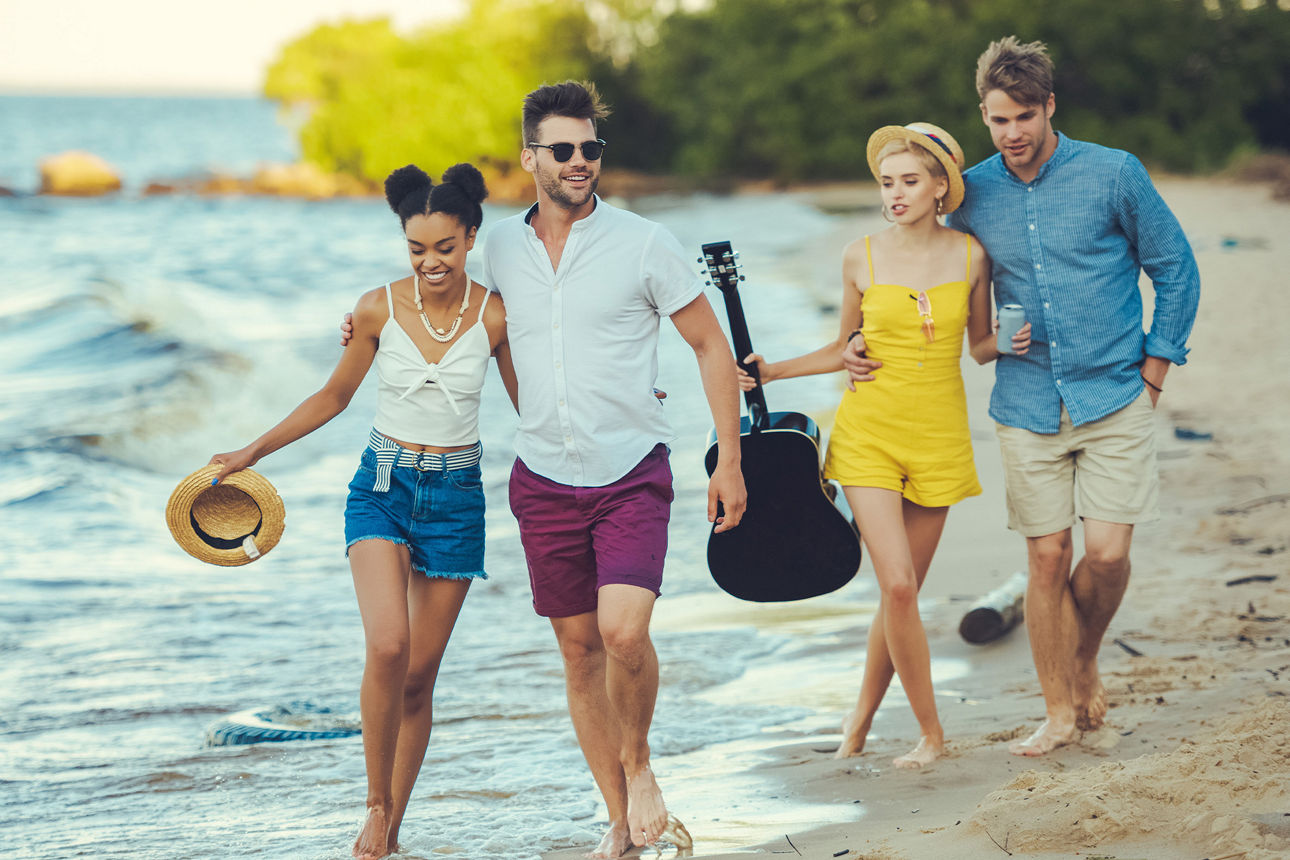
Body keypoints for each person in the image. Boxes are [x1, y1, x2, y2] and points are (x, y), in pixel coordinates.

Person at [343, 81, 745, 858]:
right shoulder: (496, 248)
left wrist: (729, 460)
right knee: (577, 648)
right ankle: (620, 819)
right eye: (561, 150)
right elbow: (438, 301)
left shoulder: (644, 243)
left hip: (631, 471)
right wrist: (364, 321)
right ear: (530, 157)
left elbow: (708, 346)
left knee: (624, 633)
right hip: (542, 481)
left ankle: (640, 767)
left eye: (590, 148)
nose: (579, 162)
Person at [845, 37, 1201, 757]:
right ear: (984, 115)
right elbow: (921, 256)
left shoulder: (1113, 174)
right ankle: (1060, 712)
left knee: (1103, 555)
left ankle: (1084, 656)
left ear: (1049, 108)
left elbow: (1176, 267)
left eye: (1024, 117)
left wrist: (1156, 371)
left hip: (1114, 391)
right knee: (1046, 557)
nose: (1012, 134)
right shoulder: (974, 192)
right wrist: (859, 339)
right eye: (998, 119)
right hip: (1028, 399)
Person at [209, 163, 518, 860]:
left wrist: (617, 414)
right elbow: (333, 395)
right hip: (381, 487)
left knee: (417, 676)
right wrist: (253, 450)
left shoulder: (498, 316)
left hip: (458, 498)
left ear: (471, 236)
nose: (431, 262)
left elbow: (538, 402)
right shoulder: (376, 307)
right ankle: (373, 806)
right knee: (387, 645)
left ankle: (392, 833)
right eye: (416, 249)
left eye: (445, 247)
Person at [738, 122, 1030, 769]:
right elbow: (841, 350)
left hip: (940, 439)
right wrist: (772, 370)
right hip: (869, 433)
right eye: (886, 183)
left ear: (939, 188)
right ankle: (931, 734)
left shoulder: (971, 257)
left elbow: (978, 345)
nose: (894, 194)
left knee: (900, 596)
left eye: (908, 182)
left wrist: (1007, 344)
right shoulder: (859, 256)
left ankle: (859, 721)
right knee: (896, 585)